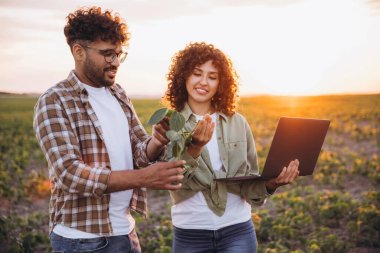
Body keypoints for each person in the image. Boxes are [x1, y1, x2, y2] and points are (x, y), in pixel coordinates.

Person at [33, 6, 184, 253]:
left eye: (119, 54)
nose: (115, 62)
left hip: (125, 233)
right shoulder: (55, 100)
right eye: (107, 54)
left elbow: (139, 150)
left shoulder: (118, 93)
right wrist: (145, 178)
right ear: (79, 51)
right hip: (82, 240)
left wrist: (156, 141)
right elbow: (70, 173)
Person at [163, 42, 300, 253]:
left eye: (212, 76)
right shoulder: (171, 123)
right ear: (184, 77)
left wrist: (272, 184)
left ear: (221, 83)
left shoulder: (238, 122)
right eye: (197, 73)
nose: (203, 82)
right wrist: (196, 147)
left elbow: (248, 180)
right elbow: (172, 179)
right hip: (191, 233)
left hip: (237, 230)